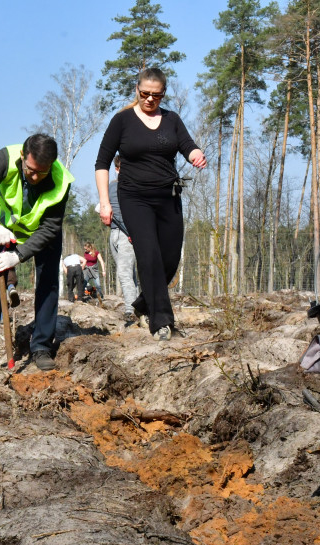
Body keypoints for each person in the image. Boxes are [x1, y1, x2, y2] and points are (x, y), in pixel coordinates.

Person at [95, 67, 206, 342]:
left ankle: (144, 303)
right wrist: (105, 202)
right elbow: (102, 163)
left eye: (155, 95)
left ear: (163, 94)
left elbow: (187, 144)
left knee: (169, 260)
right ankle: (161, 322)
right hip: (134, 198)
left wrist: (196, 154)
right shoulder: (122, 121)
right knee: (148, 256)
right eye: (144, 93)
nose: (149, 99)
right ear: (137, 90)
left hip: (168, 196)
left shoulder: (172, 119)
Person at [0, 134, 73, 371]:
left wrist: (19, 255)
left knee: (48, 282)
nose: (35, 177)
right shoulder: (5, 159)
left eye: (41, 173)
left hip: (43, 235)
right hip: (5, 229)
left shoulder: (61, 180)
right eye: (31, 170)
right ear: (23, 156)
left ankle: (42, 346)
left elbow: (50, 227)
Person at [100, 154, 140, 324]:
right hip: (114, 233)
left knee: (124, 273)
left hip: (127, 235)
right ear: (117, 169)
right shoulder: (110, 187)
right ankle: (139, 306)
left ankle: (131, 310)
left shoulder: (137, 186)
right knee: (128, 273)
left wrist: (135, 232)